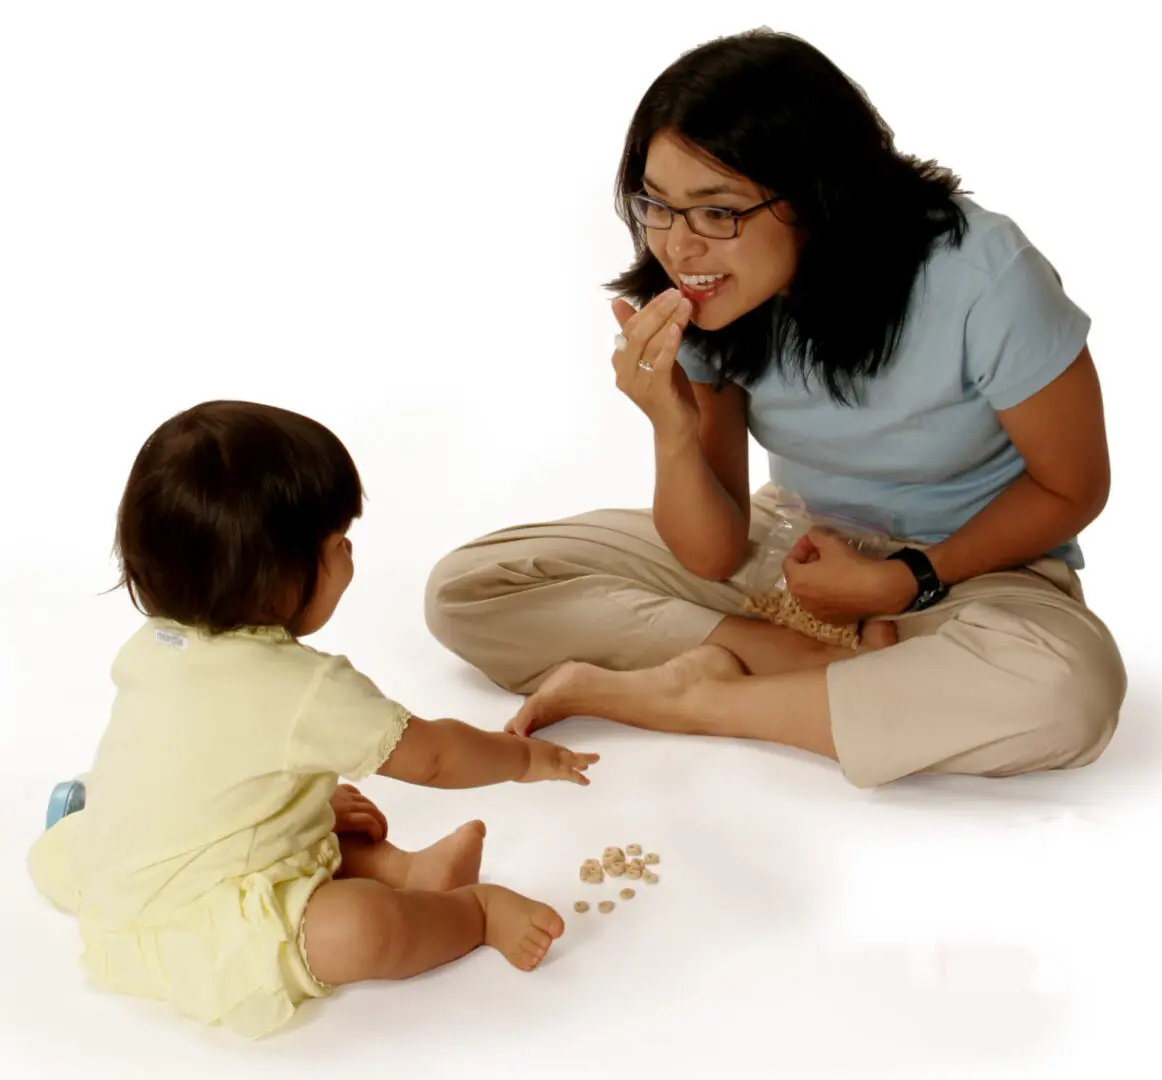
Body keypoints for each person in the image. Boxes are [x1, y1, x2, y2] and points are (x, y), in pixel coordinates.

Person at [424, 28, 1126, 788]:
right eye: (657, 205)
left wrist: (904, 580)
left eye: (716, 212)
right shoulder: (718, 302)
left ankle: (697, 696)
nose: (679, 247)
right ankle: (819, 668)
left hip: (975, 572)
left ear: (816, 198)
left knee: (1065, 693)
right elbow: (714, 552)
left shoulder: (983, 275)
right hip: (797, 556)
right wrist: (671, 423)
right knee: (470, 588)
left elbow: (1071, 488)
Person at [27, 400, 598, 1039]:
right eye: (336, 543)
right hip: (200, 924)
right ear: (272, 578)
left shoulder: (157, 646)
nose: (350, 549)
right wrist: (521, 759)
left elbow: (207, 767)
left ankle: (409, 872)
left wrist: (312, 803)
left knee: (318, 806)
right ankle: (473, 914)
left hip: (122, 874)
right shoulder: (304, 690)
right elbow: (433, 756)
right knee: (361, 929)